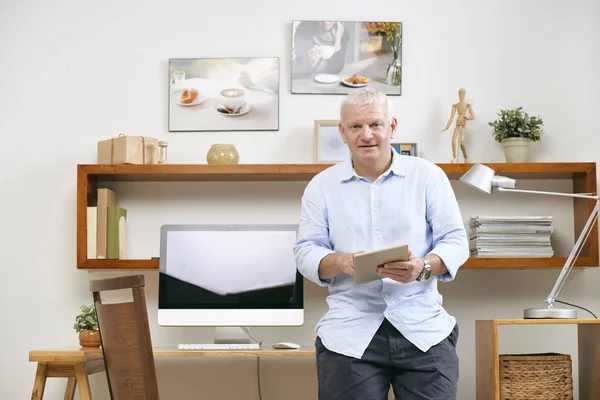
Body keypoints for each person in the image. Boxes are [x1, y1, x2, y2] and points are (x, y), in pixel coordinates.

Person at [293, 88, 469, 400]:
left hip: (423, 328)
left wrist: (423, 267)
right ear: (342, 132)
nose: (367, 135)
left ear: (392, 126)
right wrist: (342, 261)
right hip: (349, 333)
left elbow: (455, 241)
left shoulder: (428, 176)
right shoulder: (321, 186)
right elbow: (306, 250)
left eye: (375, 124)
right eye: (356, 127)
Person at [441, 88, 475, 163]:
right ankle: (455, 157)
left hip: (463, 124)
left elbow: (472, 116)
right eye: (460, 94)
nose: (461, 95)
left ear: (464, 95)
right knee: (453, 139)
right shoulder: (455, 105)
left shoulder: (467, 104)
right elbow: (451, 117)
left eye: (462, 94)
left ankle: (465, 157)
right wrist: (446, 127)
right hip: (457, 123)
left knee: (461, 143)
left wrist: (467, 117)